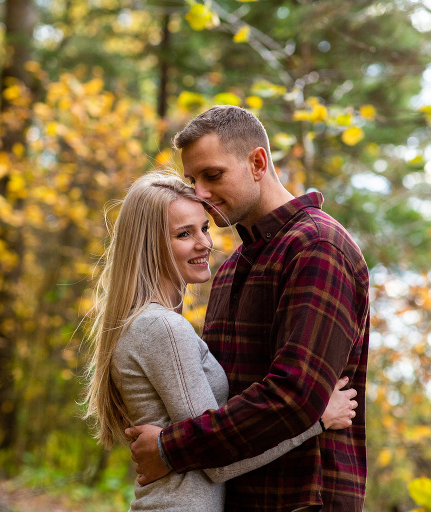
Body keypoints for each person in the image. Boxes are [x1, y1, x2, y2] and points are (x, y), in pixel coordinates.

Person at [126, 106, 370, 511]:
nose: (199, 193)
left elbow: (294, 397)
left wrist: (170, 447)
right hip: (237, 495)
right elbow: (214, 401)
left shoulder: (317, 247)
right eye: (192, 179)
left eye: (213, 175)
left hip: (302, 498)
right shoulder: (229, 270)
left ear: (258, 162)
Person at [84, 170, 358, 511]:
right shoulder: (162, 327)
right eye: (184, 234)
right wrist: (316, 419)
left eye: (205, 228)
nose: (204, 243)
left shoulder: (150, 323)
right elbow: (218, 458)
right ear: (149, 244)